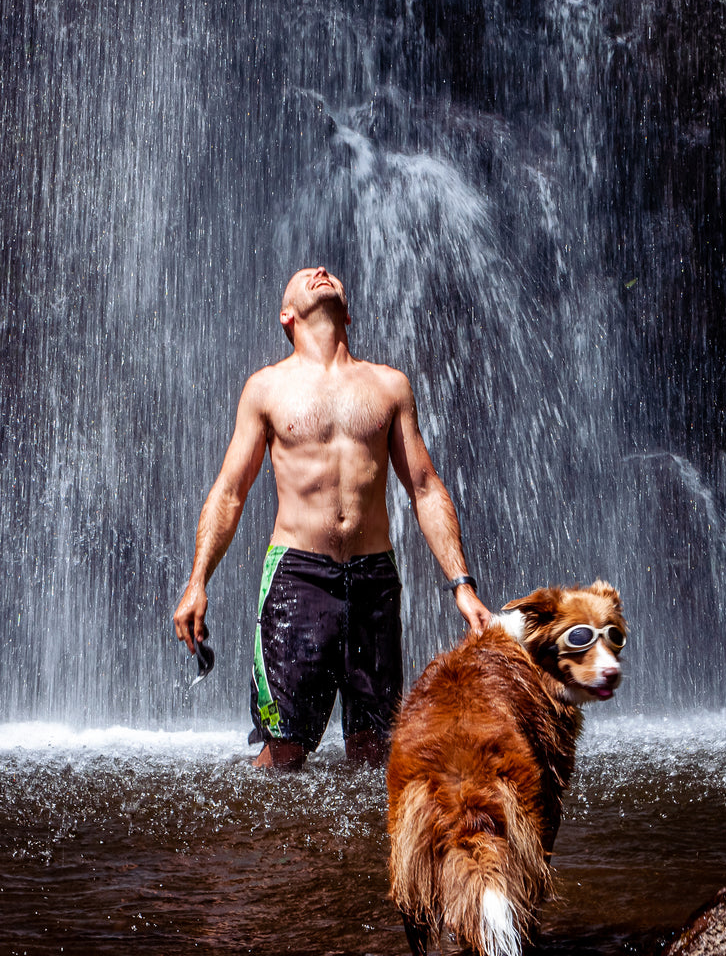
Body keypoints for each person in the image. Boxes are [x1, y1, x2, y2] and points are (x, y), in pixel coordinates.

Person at [172, 265, 492, 769]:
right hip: (298, 576)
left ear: (348, 311)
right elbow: (230, 492)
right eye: (305, 275)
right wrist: (197, 581)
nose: (321, 271)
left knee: (374, 750)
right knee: (285, 750)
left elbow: (425, 489)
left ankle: (366, 849)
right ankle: (268, 845)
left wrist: (463, 585)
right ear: (286, 315)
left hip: (373, 580)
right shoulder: (266, 389)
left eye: (329, 274)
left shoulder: (390, 387)